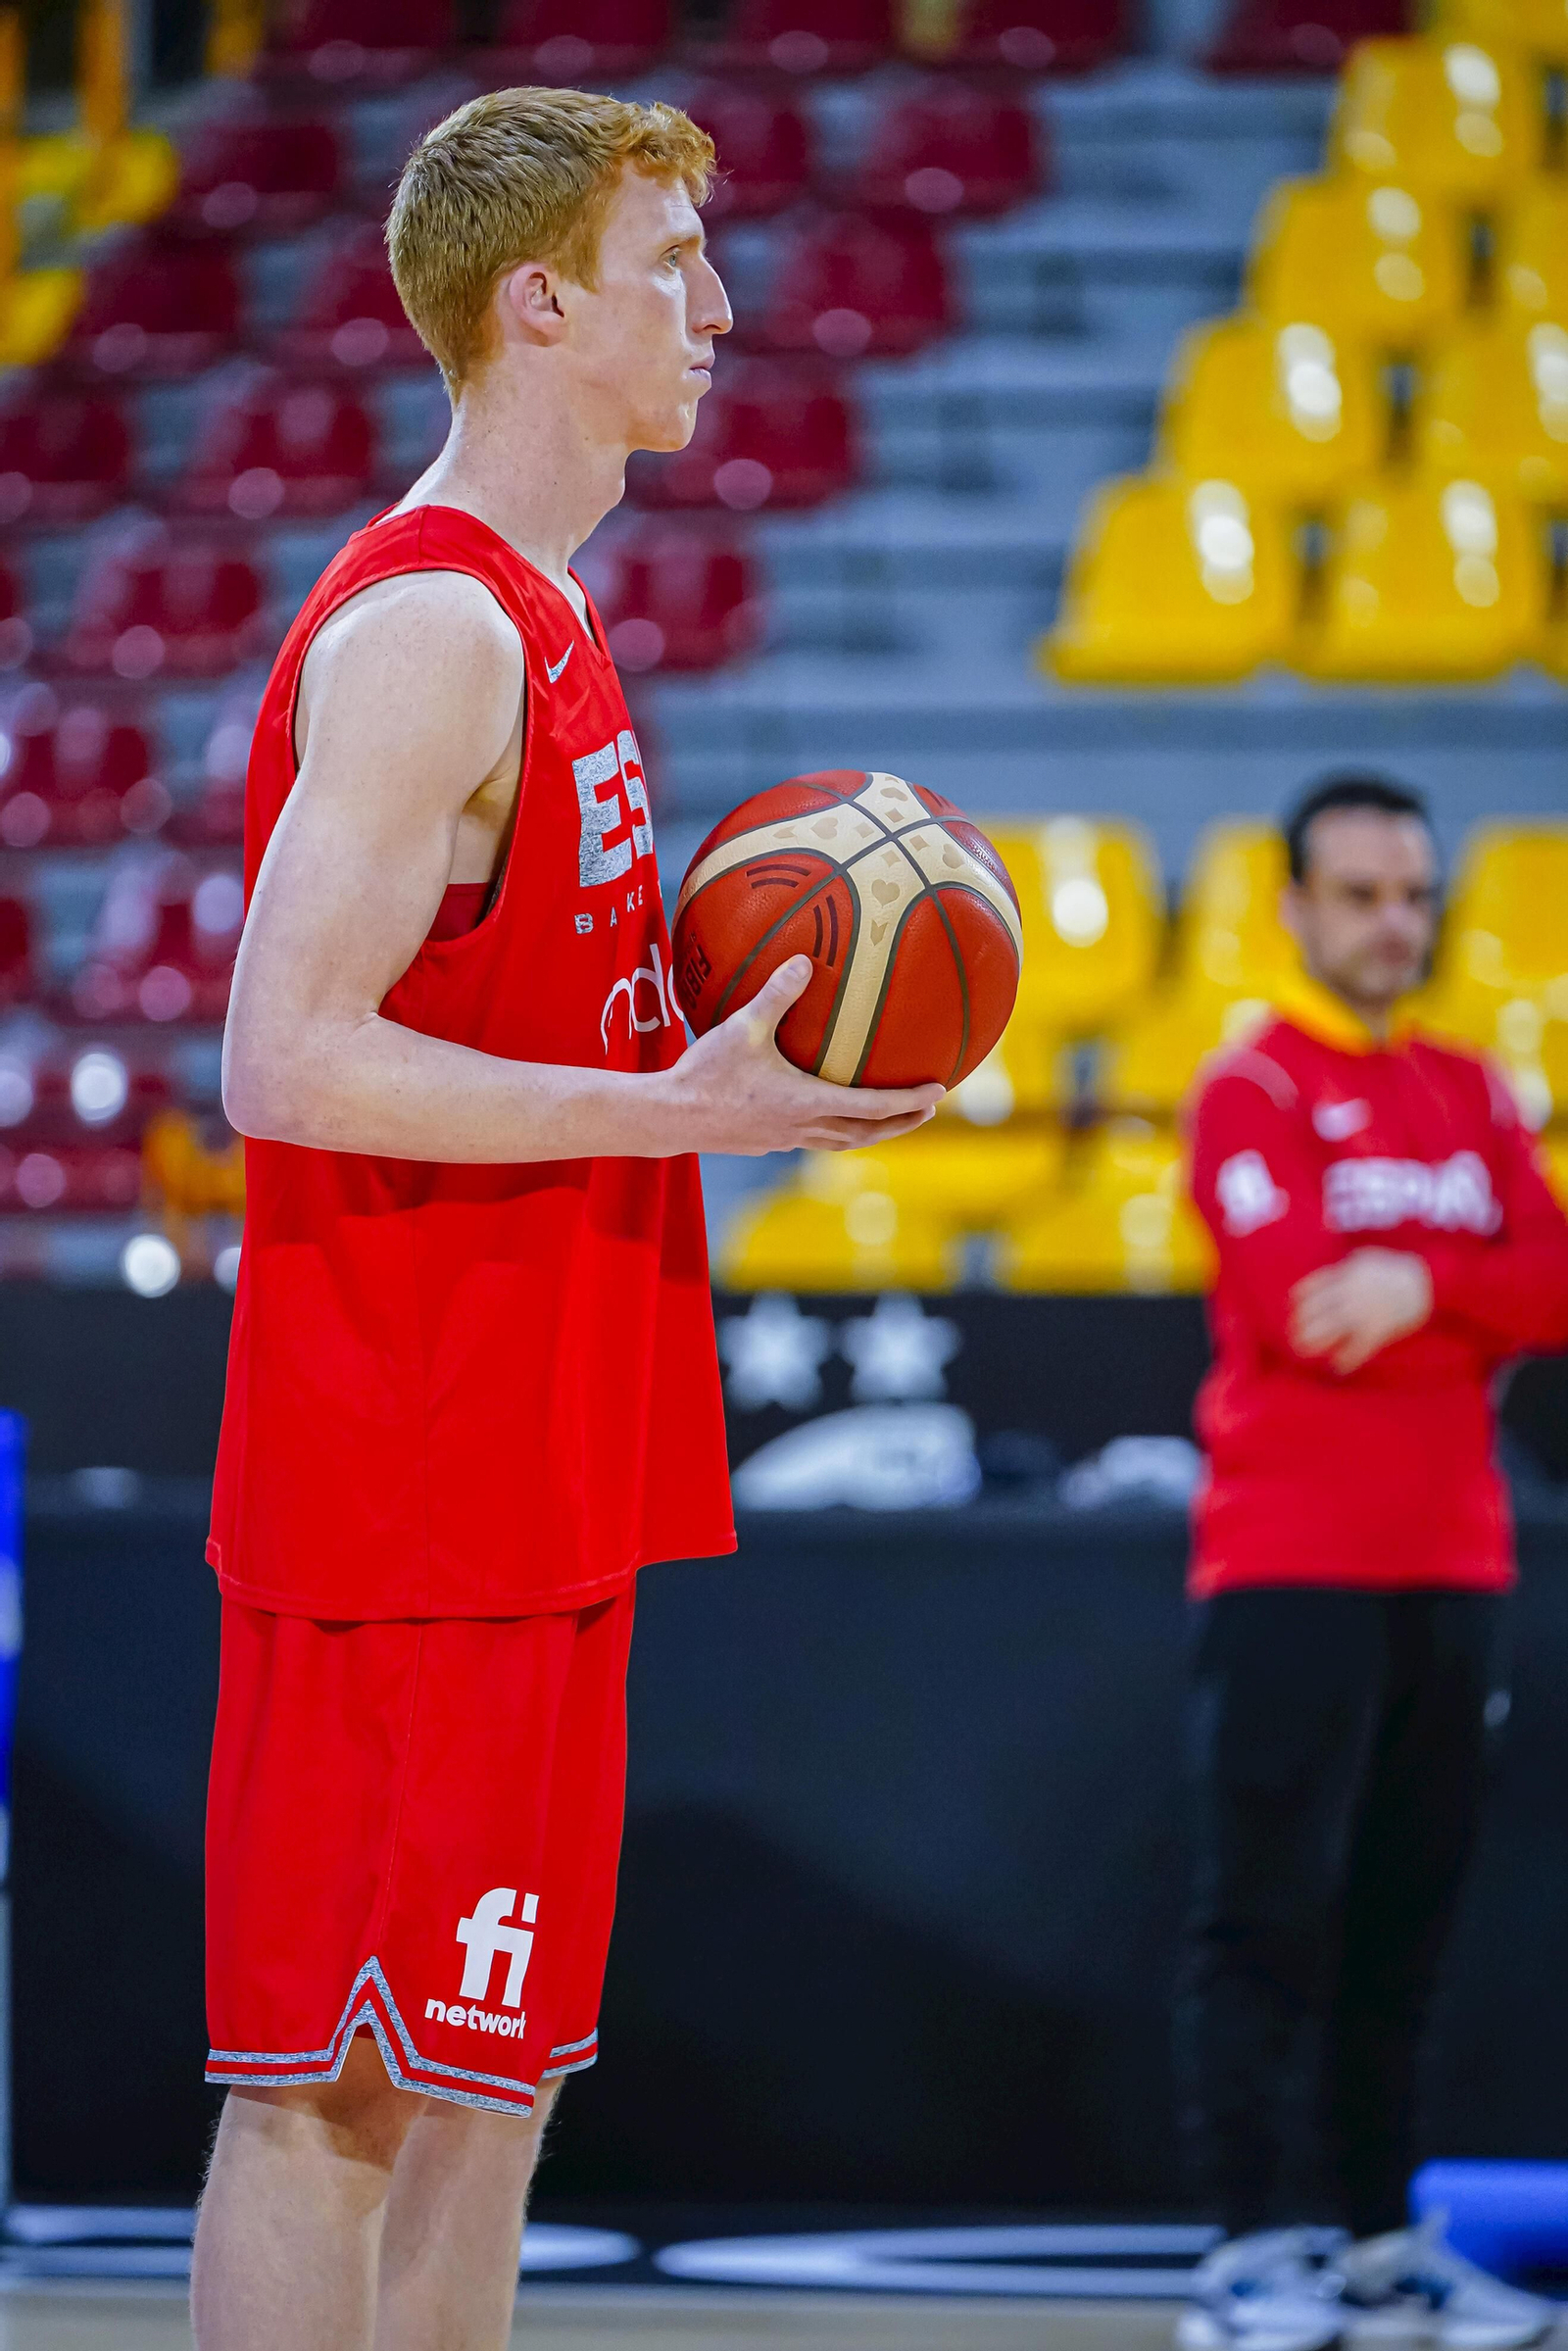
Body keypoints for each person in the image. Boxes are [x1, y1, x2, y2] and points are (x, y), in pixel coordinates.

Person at [188, 87, 942, 2351]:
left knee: (480, 2099)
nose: (715, 307)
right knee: (330, 2100)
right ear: (535, 305)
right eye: (665, 267)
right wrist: (670, 1104)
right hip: (401, 1485)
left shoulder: (548, 615)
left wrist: (713, 1070)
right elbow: (278, 1055)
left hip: (527, 1474)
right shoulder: (430, 629)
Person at [1175, 774, 1568, 2351]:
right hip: (1285, 1557)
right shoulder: (1248, 1087)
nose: (1392, 922)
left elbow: (1556, 1285)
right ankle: (1254, 2245)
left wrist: (1414, 1280)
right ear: (1294, 908)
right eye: (1359, 894)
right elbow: (1291, 1304)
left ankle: (1380, 2238)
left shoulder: (1476, 1092)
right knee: (1264, 1906)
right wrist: (1459, 1282)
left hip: (1453, 1559)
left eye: (1413, 894)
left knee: (1405, 1913)